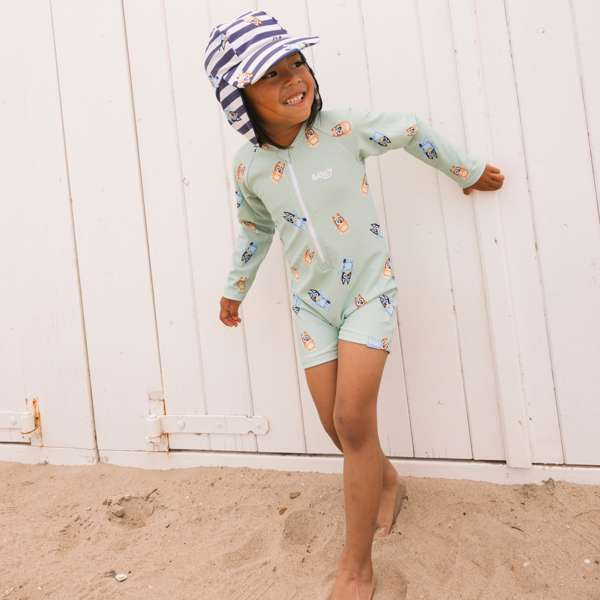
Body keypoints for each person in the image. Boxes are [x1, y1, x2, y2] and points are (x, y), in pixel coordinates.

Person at [204, 9, 504, 600]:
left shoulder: (343, 129)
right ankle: (386, 480)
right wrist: (235, 286)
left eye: (297, 63)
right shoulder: (248, 166)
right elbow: (255, 229)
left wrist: (465, 171)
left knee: (352, 420)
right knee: (336, 427)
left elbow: (411, 129)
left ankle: (356, 566)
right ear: (240, 98)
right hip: (312, 307)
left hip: (368, 292)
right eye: (271, 73)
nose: (295, 78)